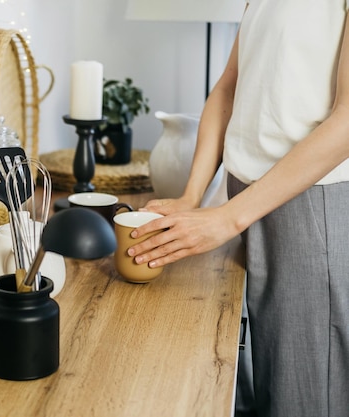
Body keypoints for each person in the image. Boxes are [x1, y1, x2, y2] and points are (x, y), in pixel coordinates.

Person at [128, 1, 349, 417]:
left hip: (308, 208)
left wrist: (227, 218)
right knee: (253, 382)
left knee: (301, 395)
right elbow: (228, 88)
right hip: (246, 200)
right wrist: (191, 197)